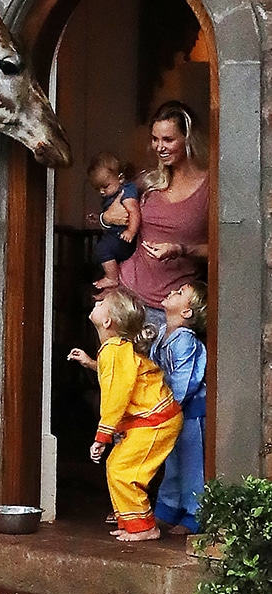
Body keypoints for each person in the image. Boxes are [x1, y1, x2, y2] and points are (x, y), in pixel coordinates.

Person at [67, 287, 182, 542]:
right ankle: (132, 523)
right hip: (152, 418)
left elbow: (117, 394)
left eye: (100, 304)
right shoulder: (113, 349)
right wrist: (91, 364)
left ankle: (145, 528)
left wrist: (102, 435)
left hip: (155, 421)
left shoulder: (114, 350)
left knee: (125, 472)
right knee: (117, 466)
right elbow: (120, 378)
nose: (95, 304)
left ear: (108, 321)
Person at [100, 101, 208, 326]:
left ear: (187, 139)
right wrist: (106, 218)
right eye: (155, 139)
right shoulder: (147, 183)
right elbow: (111, 218)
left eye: (168, 139)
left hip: (172, 311)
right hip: (126, 299)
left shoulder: (209, 188)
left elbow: (224, 251)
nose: (160, 147)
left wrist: (181, 249)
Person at [150, 281, 208, 535]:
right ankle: (168, 509)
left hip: (187, 412)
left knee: (192, 464)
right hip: (169, 410)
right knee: (172, 462)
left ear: (187, 312)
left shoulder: (185, 340)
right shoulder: (164, 333)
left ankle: (196, 513)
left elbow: (184, 380)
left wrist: (166, 404)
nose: (172, 291)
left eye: (181, 293)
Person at [87, 151, 140, 290]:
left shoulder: (126, 192)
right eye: (97, 189)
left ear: (120, 178)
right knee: (101, 251)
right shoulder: (113, 194)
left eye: (105, 186)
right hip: (116, 235)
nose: (102, 192)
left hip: (125, 238)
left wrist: (131, 231)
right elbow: (111, 216)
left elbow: (134, 211)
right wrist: (100, 217)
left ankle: (112, 277)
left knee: (102, 249)